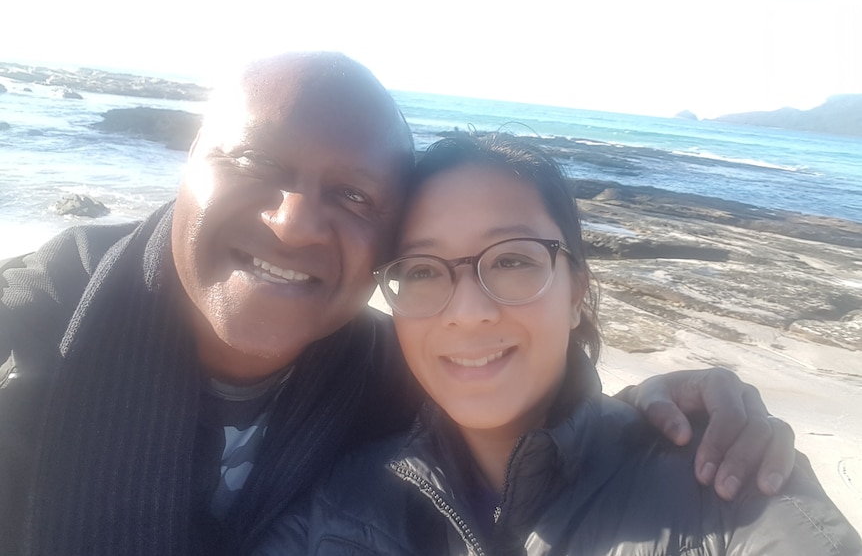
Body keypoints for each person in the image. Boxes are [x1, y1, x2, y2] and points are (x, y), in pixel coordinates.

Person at [0, 53, 795, 556]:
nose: (294, 220)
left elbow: (538, 430)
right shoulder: (35, 332)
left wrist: (654, 408)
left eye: (351, 193)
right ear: (187, 166)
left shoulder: (393, 371)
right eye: (252, 161)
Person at [257, 133, 861, 555]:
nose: (467, 312)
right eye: (420, 270)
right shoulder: (343, 503)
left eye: (514, 260)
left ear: (577, 292)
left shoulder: (725, 482)